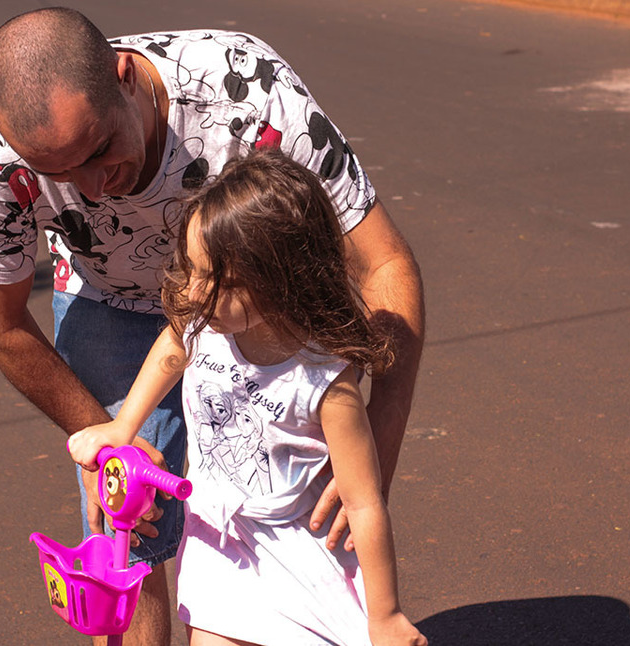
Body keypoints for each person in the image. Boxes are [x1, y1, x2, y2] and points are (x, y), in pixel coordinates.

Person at [0, 7, 425, 646]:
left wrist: (373, 452)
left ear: (124, 76)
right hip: (109, 299)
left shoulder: (247, 92)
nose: (93, 186)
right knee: (123, 531)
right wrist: (101, 437)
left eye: (100, 150)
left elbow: (385, 263)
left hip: (259, 309)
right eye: (60, 174)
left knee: (295, 517)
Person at [68, 149, 427, 646]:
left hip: (298, 557)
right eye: (190, 270)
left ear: (281, 280)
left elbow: (365, 505)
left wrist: (385, 613)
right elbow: (173, 346)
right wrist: (122, 426)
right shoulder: (207, 325)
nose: (193, 294)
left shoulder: (324, 383)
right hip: (216, 544)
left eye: (218, 281)